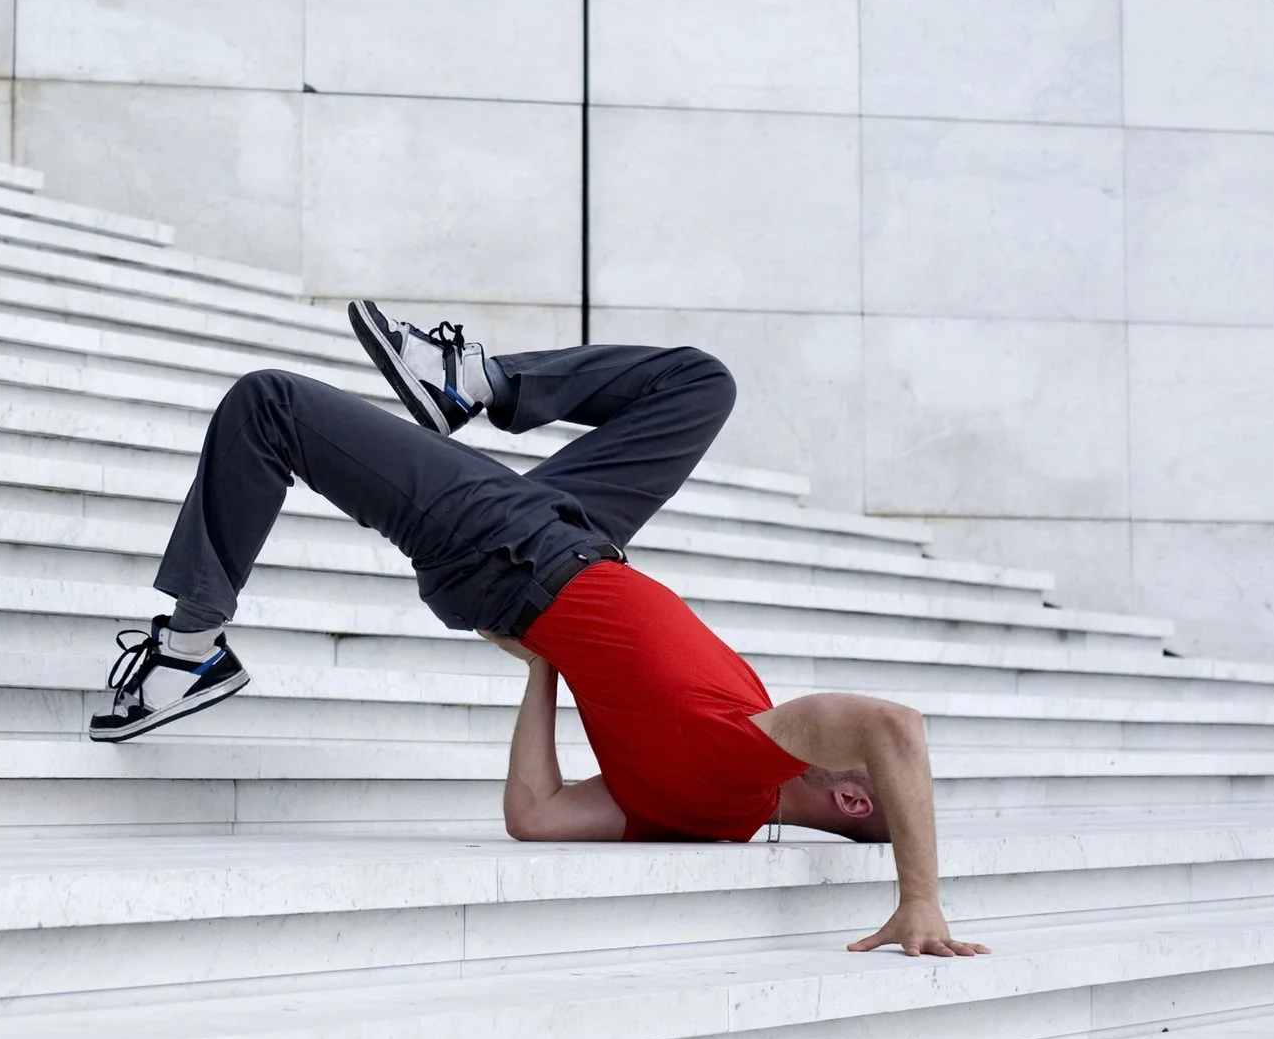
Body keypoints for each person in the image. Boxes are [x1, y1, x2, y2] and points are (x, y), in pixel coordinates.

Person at [88, 303, 988, 958]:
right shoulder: (697, 816)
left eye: (864, 769)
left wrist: (921, 899)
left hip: (515, 553)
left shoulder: (746, 765)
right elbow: (537, 815)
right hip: (570, 541)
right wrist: (545, 664)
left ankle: (188, 649)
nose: (853, 749)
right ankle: (478, 381)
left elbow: (894, 725)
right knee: (700, 383)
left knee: (271, 403)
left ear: (853, 799)